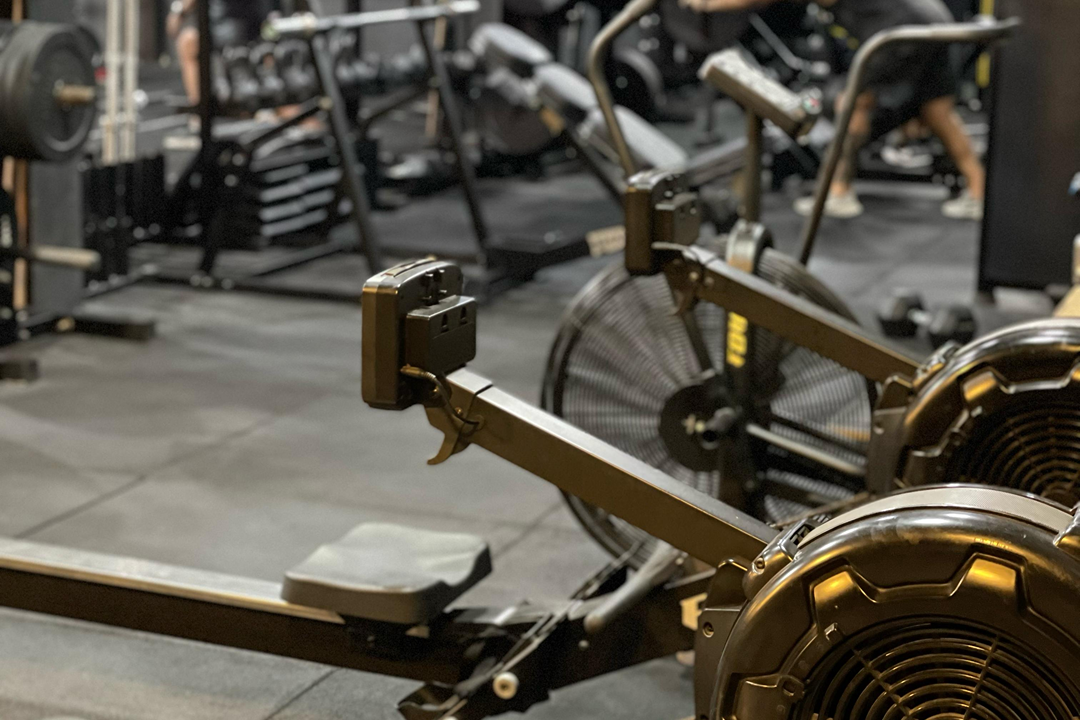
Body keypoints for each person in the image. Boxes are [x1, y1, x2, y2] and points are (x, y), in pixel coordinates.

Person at [683, 0, 986, 220]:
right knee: (938, 112)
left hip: (900, 27)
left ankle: (838, 192)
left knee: (851, 103)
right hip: (932, 18)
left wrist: (710, 3)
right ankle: (978, 191)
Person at [167, 0, 279, 107]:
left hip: (237, 26)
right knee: (189, 41)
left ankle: (200, 108)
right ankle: (200, 106)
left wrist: (178, 11)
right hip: (239, 25)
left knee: (188, 41)